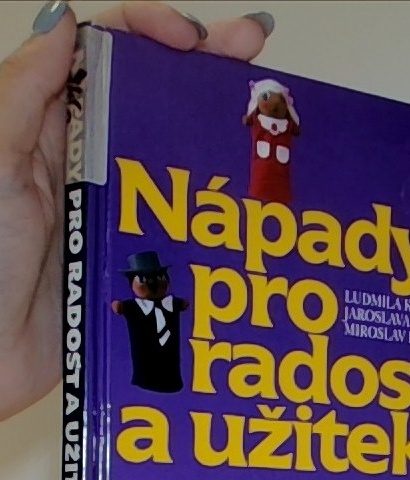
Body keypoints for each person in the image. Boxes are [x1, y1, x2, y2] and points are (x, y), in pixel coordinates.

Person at [0, 1, 273, 422]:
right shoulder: (130, 306)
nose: (150, 285)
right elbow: (119, 308)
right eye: (145, 280)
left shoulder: (171, 304)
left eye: (154, 279)